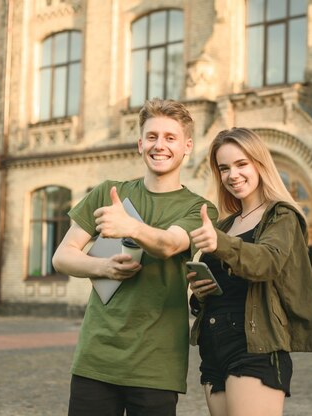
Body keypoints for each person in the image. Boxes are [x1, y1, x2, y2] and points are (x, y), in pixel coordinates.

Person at [52, 98, 218, 416]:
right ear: (140, 143)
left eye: (170, 138)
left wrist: (131, 227)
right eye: (152, 137)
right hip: (96, 359)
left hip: (156, 365)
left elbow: (170, 244)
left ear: (187, 146)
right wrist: (103, 266)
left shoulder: (199, 209)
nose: (160, 145)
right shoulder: (108, 191)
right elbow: (63, 257)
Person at [187, 128, 312, 416]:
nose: (232, 175)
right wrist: (199, 293)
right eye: (224, 168)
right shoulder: (225, 226)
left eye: (241, 164)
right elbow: (222, 287)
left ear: (259, 164)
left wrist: (220, 243)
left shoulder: (281, 216)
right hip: (214, 348)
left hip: (255, 347)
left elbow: (267, 262)